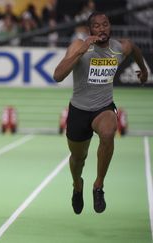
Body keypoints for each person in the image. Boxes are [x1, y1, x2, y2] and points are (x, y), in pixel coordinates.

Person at [53, 12, 148, 215]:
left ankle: (98, 186)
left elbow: (135, 49)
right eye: (96, 26)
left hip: (103, 107)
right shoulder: (79, 45)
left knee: (108, 132)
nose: (102, 28)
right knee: (78, 159)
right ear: (90, 30)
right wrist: (81, 51)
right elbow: (58, 75)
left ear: (110, 27)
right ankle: (77, 186)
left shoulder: (119, 48)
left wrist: (144, 70)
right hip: (79, 110)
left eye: (105, 24)